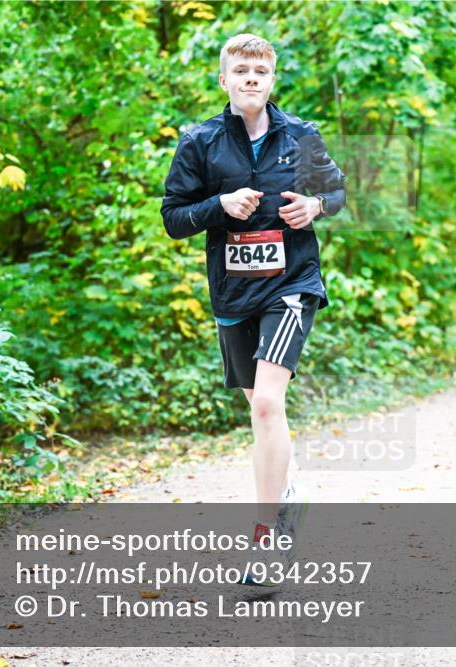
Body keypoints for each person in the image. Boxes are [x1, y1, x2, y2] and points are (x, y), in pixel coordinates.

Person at [161, 34, 346, 582]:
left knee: (267, 404)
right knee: (258, 408)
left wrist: (314, 205)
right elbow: (173, 217)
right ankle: (287, 493)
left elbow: (336, 193)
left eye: (260, 72)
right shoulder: (200, 141)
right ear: (224, 80)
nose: (250, 79)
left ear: (271, 81)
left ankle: (267, 542)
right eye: (240, 70)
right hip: (232, 293)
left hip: (291, 284)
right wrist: (217, 206)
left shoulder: (302, 137)